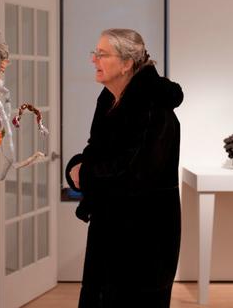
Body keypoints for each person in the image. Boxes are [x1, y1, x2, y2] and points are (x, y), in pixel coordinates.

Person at [65, 28, 184, 307]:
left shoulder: (154, 108)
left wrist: (84, 172)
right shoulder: (109, 99)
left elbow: (135, 172)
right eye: (95, 53)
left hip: (144, 235)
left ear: (127, 63)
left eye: (102, 54)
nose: (94, 59)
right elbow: (97, 150)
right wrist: (79, 165)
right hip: (112, 226)